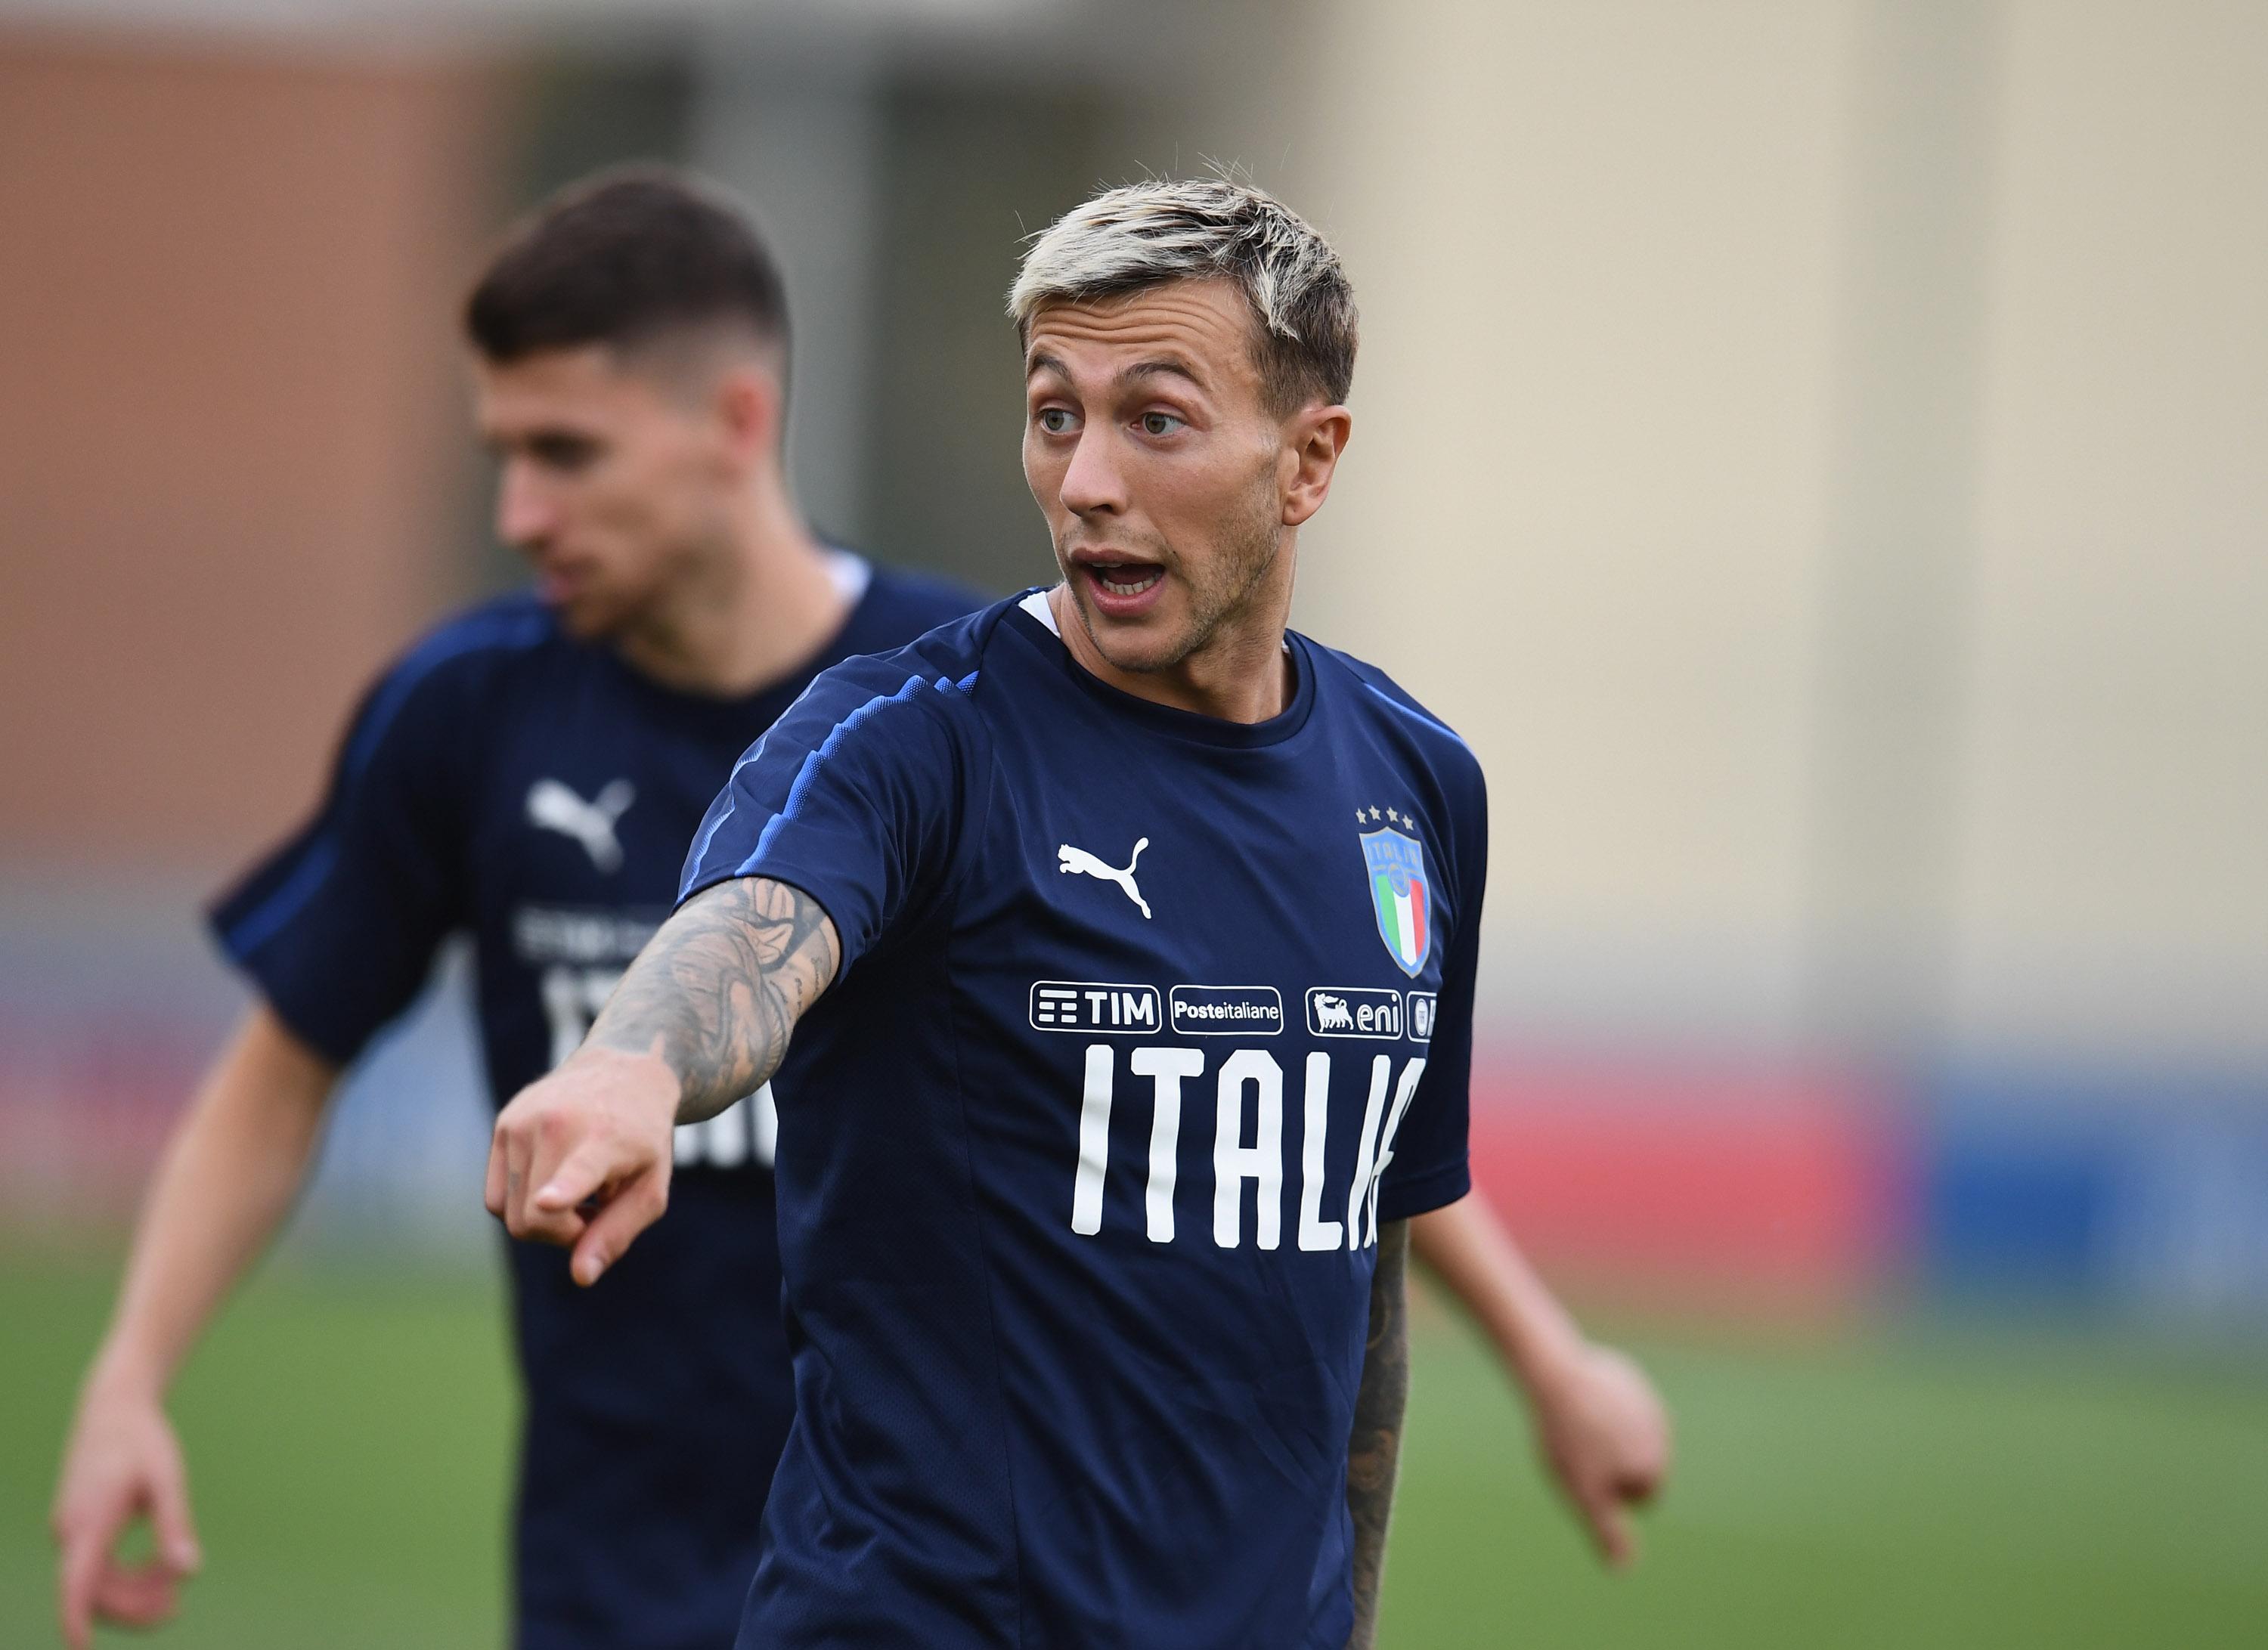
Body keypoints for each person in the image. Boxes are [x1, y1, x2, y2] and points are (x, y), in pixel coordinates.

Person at [487, 175, 1666, 1650]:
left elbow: (1367, 1269)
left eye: (1154, 420)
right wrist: (632, 1065)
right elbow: (758, 925)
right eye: (1058, 414)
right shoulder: (916, 737)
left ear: (1308, 462)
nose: (1087, 479)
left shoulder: (1419, 787)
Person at [49, 169, 981, 1650]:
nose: (519, 512)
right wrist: (124, 1386)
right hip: (606, 1592)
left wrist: (1500, 1324)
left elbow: (1249, 1027)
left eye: (567, 452)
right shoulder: (466, 711)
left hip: (930, 1588)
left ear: (736, 422)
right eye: (502, 454)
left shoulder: (969, 699)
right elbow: (278, 1082)